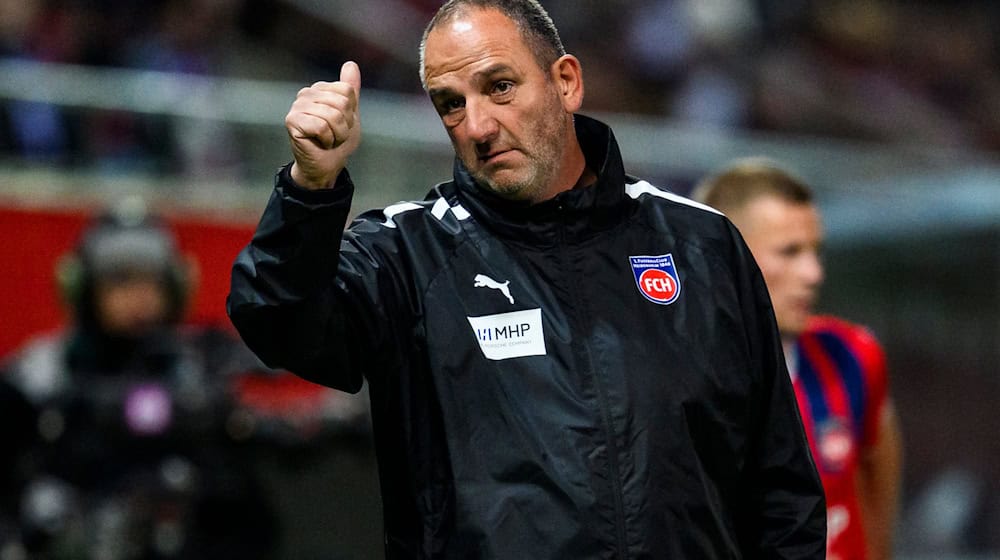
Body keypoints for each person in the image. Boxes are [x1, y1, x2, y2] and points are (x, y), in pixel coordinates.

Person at [228, 1, 826, 557]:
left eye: (500, 87)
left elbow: (780, 486)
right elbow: (277, 320)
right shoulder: (409, 254)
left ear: (566, 82)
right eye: (451, 104)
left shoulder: (702, 245)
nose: (478, 125)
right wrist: (309, 190)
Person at [0, 198, 287, 559]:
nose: (140, 297)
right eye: (121, 281)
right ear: (84, 288)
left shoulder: (201, 367)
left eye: (152, 281)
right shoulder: (39, 377)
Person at [691, 158, 904, 560]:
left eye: (815, 251)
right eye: (789, 252)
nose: (813, 273)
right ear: (720, 255)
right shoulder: (673, 379)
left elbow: (879, 484)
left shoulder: (853, 356)